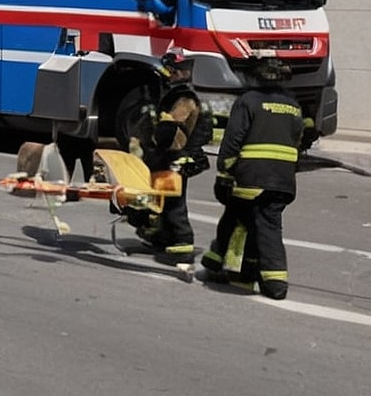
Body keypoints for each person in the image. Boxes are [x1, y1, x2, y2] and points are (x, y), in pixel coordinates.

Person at [201, 56, 303, 299]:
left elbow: (233, 139)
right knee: (240, 217)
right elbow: (298, 138)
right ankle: (227, 264)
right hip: (283, 180)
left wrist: (224, 172)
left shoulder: (248, 101)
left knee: (264, 225)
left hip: (252, 177)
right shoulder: (293, 105)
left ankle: (275, 282)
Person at [117, 50, 208, 268]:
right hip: (172, 156)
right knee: (162, 201)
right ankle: (162, 238)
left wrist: (157, 143)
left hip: (174, 157)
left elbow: (171, 130)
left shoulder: (183, 97)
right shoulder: (177, 93)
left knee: (173, 204)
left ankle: (182, 246)